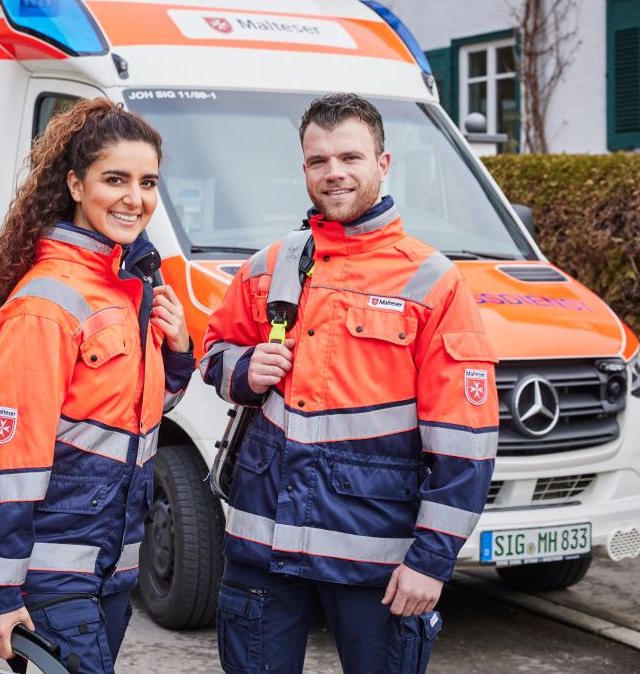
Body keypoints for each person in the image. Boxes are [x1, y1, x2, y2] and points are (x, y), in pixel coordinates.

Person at [199, 93, 498, 673]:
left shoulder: (433, 282)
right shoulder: (269, 267)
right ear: (305, 168)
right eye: (318, 161)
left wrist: (431, 561)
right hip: (264, 551)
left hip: (380, 566)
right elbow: (215, 350)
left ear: (382, 164)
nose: (333, 172)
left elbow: (466, 444)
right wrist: (241, 369)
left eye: (349, 157)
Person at [0, 98, 194, 674]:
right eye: (115, 179)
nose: (133, 198)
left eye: (147, 181)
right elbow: (6, 460)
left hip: (109, 574)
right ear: (75, 184)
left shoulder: (127, 285)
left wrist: (179, 353)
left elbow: (133, 419)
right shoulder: (45, 306)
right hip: (49, 580)